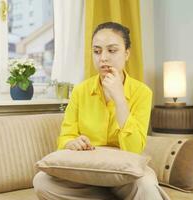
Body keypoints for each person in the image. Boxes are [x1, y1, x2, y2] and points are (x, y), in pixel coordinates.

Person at [33, 22, 170, 200]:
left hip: (125, 171)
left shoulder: (142, 92)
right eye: (97, 51)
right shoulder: (80, 91)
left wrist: (120, 99)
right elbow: (65, 137)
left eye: (112, 50)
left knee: (147, 187)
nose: (103, 58)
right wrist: (72, 143)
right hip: (88, 169)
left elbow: (134, 148)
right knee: (42, 181)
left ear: (127, 53)